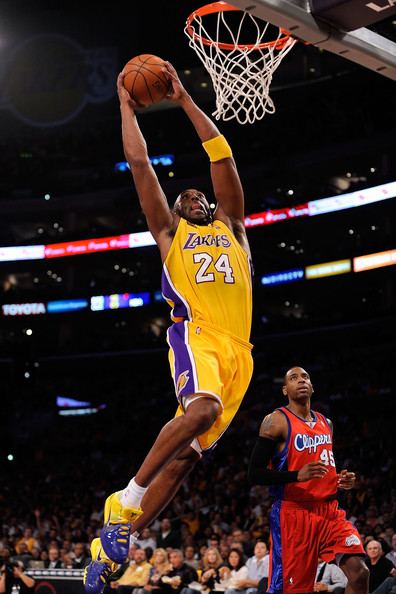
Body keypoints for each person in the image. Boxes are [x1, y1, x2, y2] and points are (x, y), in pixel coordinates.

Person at [84, 61, 253, 594]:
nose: (192, 197)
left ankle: (113, 549)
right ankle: (125, 500)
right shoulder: (168, 234)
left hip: (240, 354)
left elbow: (221, 154)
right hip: (195, 333)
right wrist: (124, 107)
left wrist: (184, 99)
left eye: (198, 195)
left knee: (183, 463)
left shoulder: (234, 228)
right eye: (183, 199)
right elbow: (140, 167)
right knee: (203, 409)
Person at [247, 366, 369, 594]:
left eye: (305, 377)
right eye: (293, 378)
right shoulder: (276, 421)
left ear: (312, 387)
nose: (300, 380)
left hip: (329, 512)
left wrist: (341, 481)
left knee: (360, 574)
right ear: (285, 389)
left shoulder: (326, 423)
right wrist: (296, 476)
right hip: (293, 516)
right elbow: (254, 473)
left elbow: (323, 466)